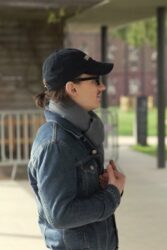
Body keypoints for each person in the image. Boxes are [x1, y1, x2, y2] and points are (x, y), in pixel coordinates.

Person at [27, 48, 126, 250]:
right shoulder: (56, 144)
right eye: (95, 80)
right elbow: (60, 215)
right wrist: (112, 195)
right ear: (72, 88)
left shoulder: (81, 133)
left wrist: (103, 187)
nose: (102, 87)